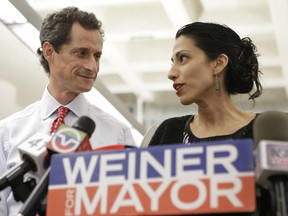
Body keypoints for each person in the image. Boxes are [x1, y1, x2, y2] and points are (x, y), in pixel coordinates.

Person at [0, 7, 135, 216]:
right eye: (81, 53)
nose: (92, 66)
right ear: (49, 52)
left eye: (97, 56)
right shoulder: (7, 132)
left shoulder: (118, 133)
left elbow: (127, 205)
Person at [148, 22, 269, 215]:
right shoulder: (168, 131)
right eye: (173, 62)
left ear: (218, 63)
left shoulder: (268, 130)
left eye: (183, 58)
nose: (171, 73)